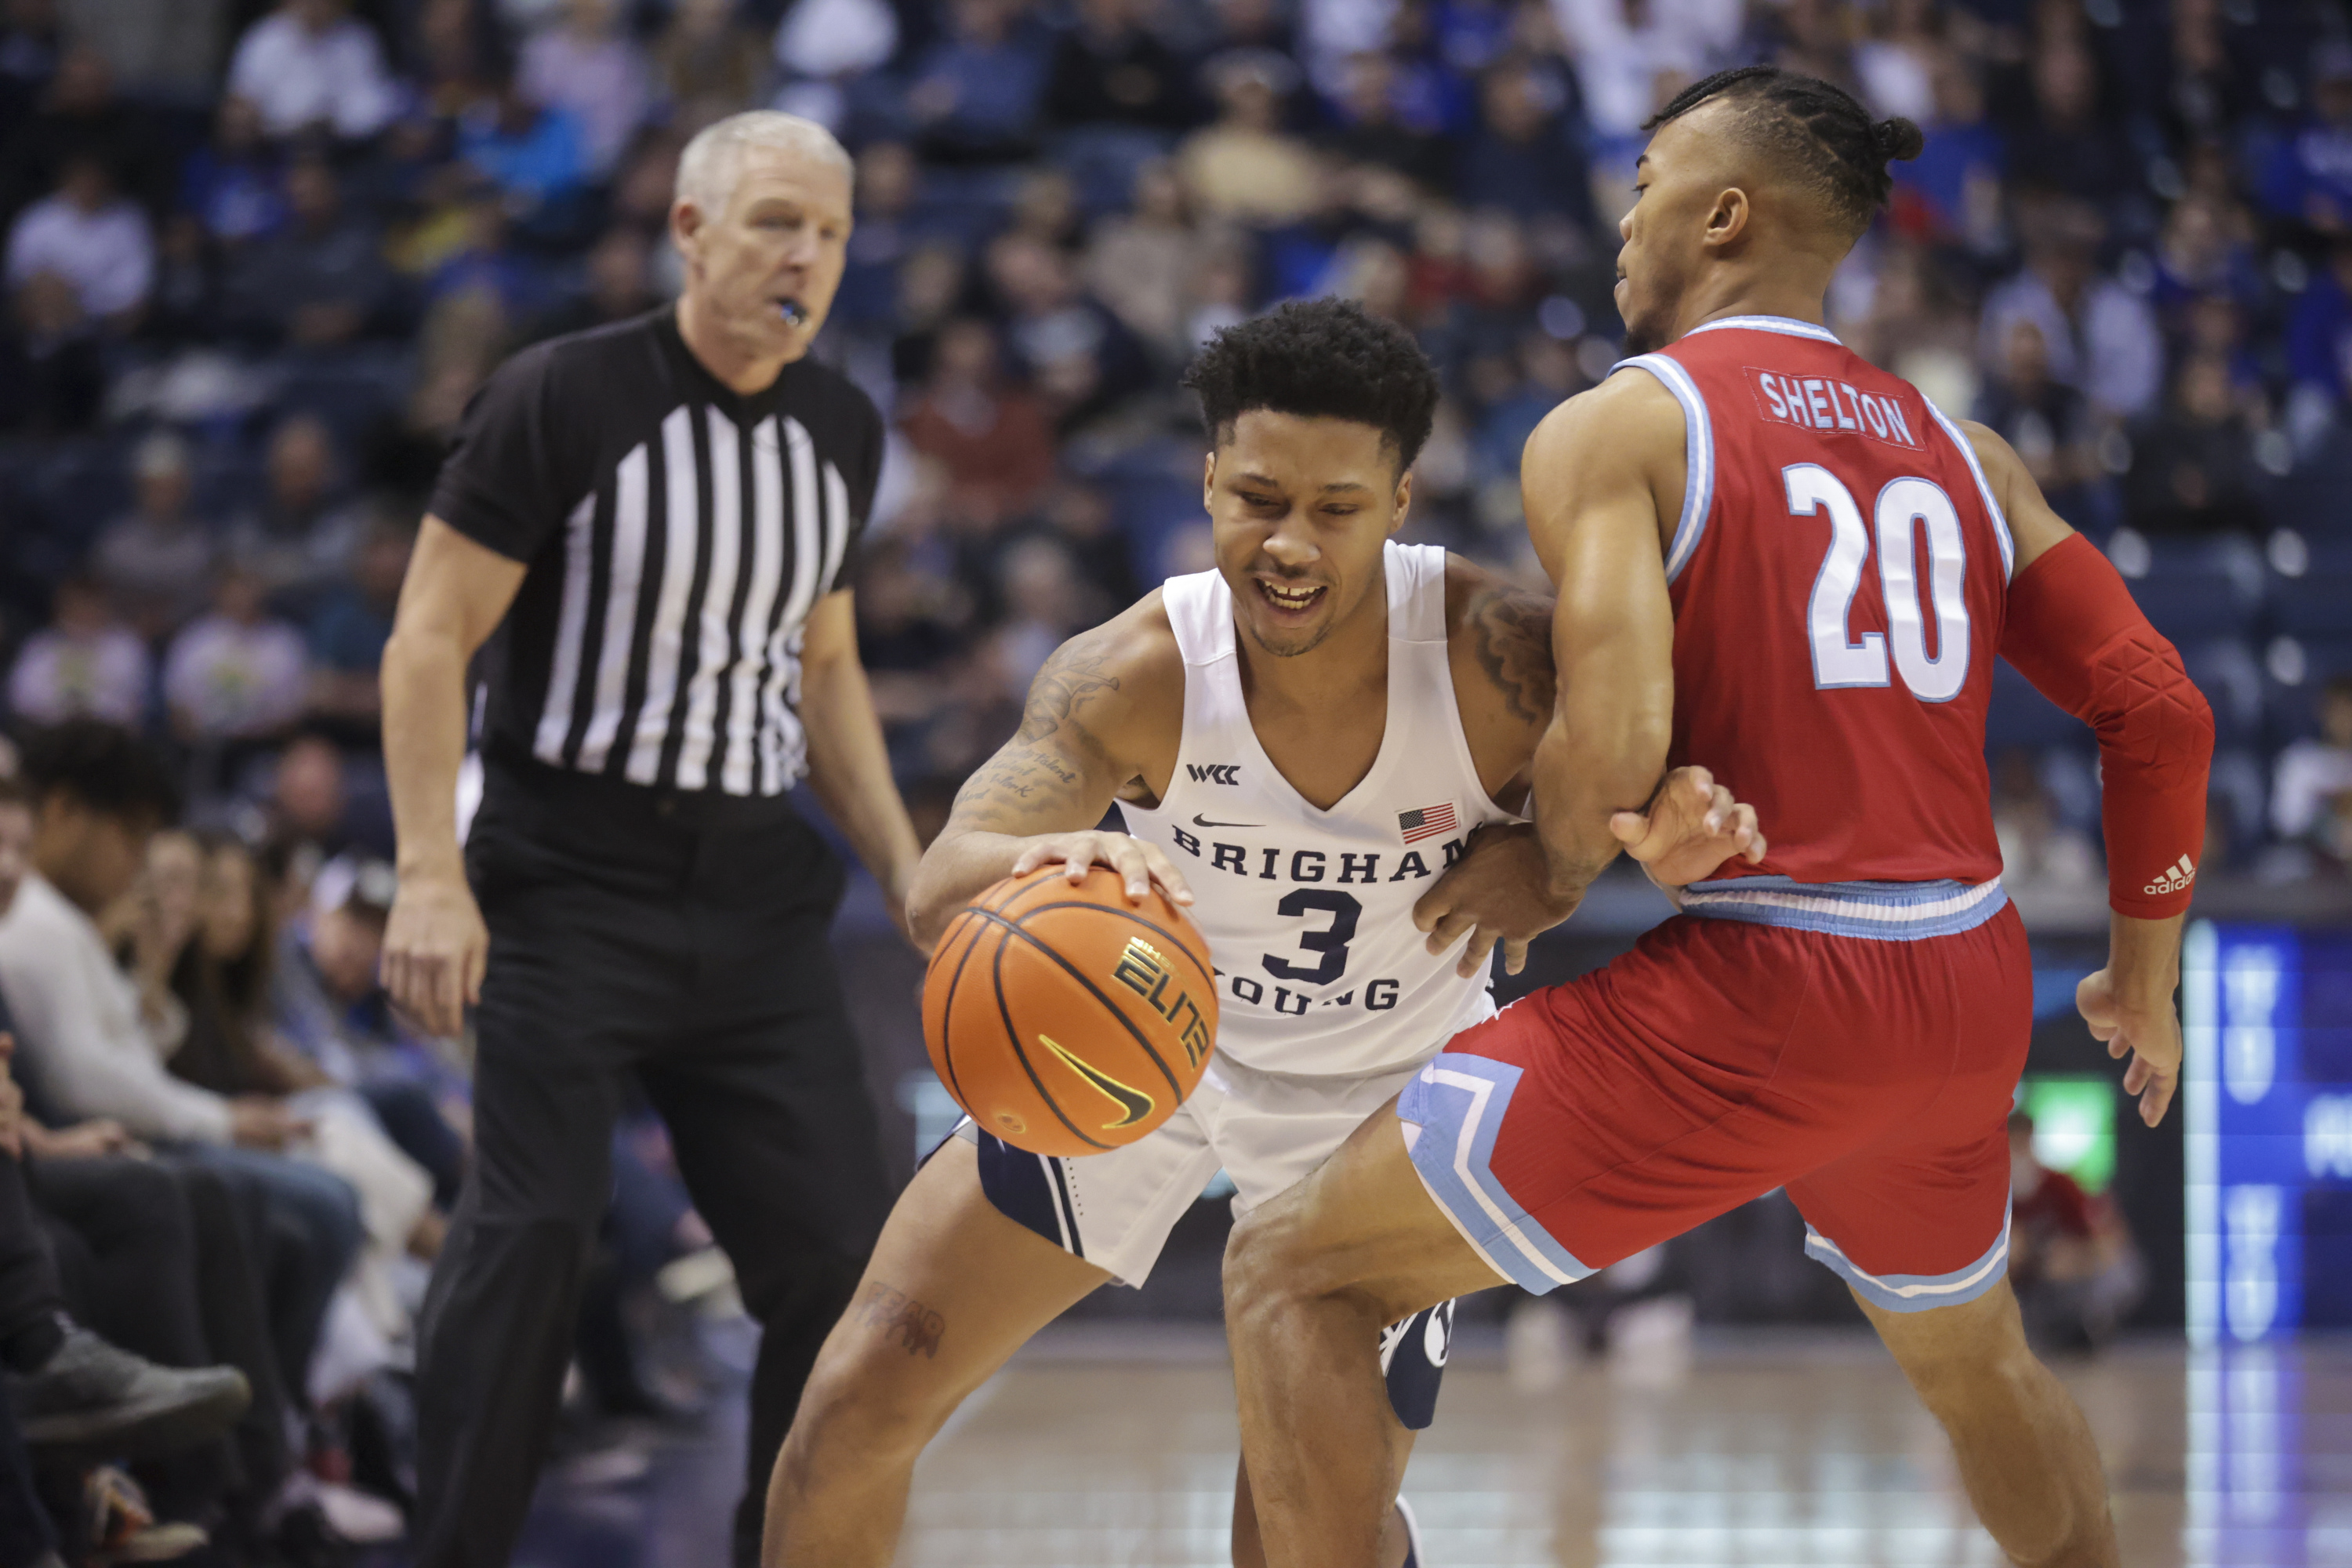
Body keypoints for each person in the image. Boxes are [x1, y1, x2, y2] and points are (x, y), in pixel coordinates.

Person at [1216, 66, 2214, 1568]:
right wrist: (2144, 984)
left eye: (1642, 190)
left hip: (1768, 986)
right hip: (1964, 986)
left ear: (1724, 214)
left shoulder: (1626, 427)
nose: (1623, 227)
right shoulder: (1970, 455)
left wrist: (1545, 873)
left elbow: (1612, 739)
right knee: (1979, 1363)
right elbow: (2165, 711)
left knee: (1290, 1270)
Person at [765, 297, 1762, 1568]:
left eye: (1335, 509)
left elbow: (1666, 796)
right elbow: (939, 885)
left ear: (1401, 502)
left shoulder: (1497, 658)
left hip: (1384, 1107)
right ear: (1208, 481)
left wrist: (1570, 868)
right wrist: (1046, 860)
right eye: (1257, 499)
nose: (1289, 543)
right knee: (856, 1399)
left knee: (1303, 1537)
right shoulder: (1133, 667)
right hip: (1145, 1062)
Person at [379, 110, 923, 1568]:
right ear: (689, 232)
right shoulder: (560, 396)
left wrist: (903, 864)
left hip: (756, 898)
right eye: (772, 222)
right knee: (534, 1235)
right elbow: (431, 636)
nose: (803, 253)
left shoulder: (841, 429)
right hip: (567, 880)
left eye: (828, 229)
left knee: (835, 1258)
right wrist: (430, 873)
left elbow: (823, 673)